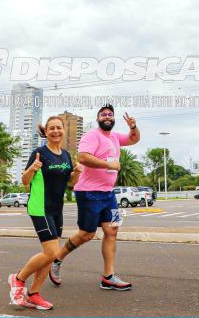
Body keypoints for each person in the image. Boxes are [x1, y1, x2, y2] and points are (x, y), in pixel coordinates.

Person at [50, 104, 139, 290]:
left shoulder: (114, 137)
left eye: (110, 114)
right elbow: (82, 157)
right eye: (103, 114)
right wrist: (110, 165)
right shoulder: (92, 135)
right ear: (98, 118)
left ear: (113, 119)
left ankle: (108, 276)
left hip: (109, 194)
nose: (107, 116)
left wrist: (132, 127)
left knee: (113, 230)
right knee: (87, 234)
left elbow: (134, 139)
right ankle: (57, 259)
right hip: (88, 192)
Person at [8, 116, 82, 309]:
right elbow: (25, 181)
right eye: (51, 129)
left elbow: (70, 184)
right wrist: (31, 169)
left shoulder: (66, 155)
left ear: (64, 130)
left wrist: (76, 174)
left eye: (59, 128)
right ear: (46, 132)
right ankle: (18, 279)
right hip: (39, 207)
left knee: (50, 254)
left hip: (57, 209)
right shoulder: (39, 153)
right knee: (51, 252)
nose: (55, 131)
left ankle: (33, 294)